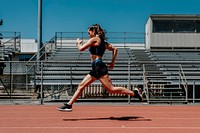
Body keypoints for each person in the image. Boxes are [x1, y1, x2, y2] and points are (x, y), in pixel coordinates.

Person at [57, 24, 143, 112]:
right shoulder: (102, 42)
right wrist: (112, 62)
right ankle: (69, 105)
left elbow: (81, 49)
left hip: (99, 66)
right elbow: (115, 49)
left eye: (89, 32)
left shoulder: (95, 39)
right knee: (81, 86)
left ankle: (134, 93)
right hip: (95, 67)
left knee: (111, 89)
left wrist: (78, 43)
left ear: (93, 31)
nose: (88, 34)